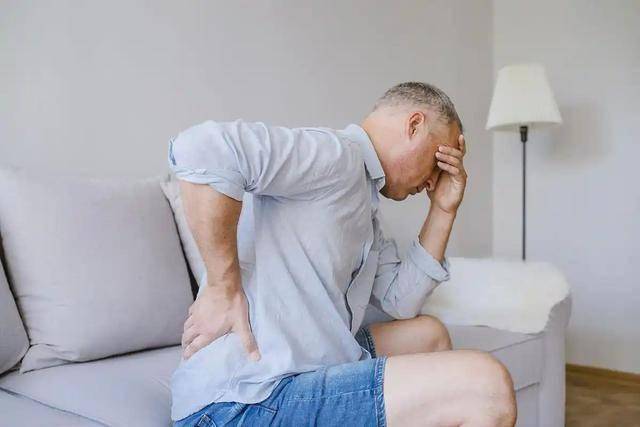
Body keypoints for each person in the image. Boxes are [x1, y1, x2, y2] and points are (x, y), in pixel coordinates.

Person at [167, 82, 517, 427]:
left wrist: (443, 208)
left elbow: (401, 301)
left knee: (429, 334)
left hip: (294, 376)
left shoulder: (365, 207)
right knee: (488, 387)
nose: (432, 182)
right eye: (439, 163)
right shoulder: (336, 155)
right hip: (240, 404)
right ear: (414, 126)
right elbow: (202, 148)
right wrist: (222, 287)